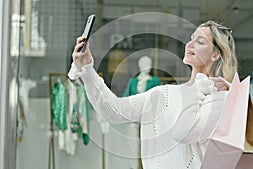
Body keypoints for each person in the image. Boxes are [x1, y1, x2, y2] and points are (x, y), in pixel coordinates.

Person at [68, 20, 238, 168]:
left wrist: (196, 88)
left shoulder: (220, 97)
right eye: (191, 38)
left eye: (199, 41)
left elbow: (183, 132)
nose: (190, 44)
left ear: (216, 54)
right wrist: (87, 69)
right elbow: (114, 110)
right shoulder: (163, 94)